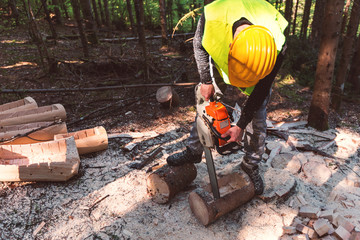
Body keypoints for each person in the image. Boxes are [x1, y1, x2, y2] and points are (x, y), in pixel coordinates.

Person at [167, 0, 288, 195]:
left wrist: (240, 125)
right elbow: (199, 45)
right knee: (208, 107)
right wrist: (205, 80)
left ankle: (251, 164)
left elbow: (261, 89)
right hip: (222, 64)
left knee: (257, 118)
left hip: (259, 75)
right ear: (231, 45)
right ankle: (194, 150)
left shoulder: (276, 44)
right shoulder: (213, 16)